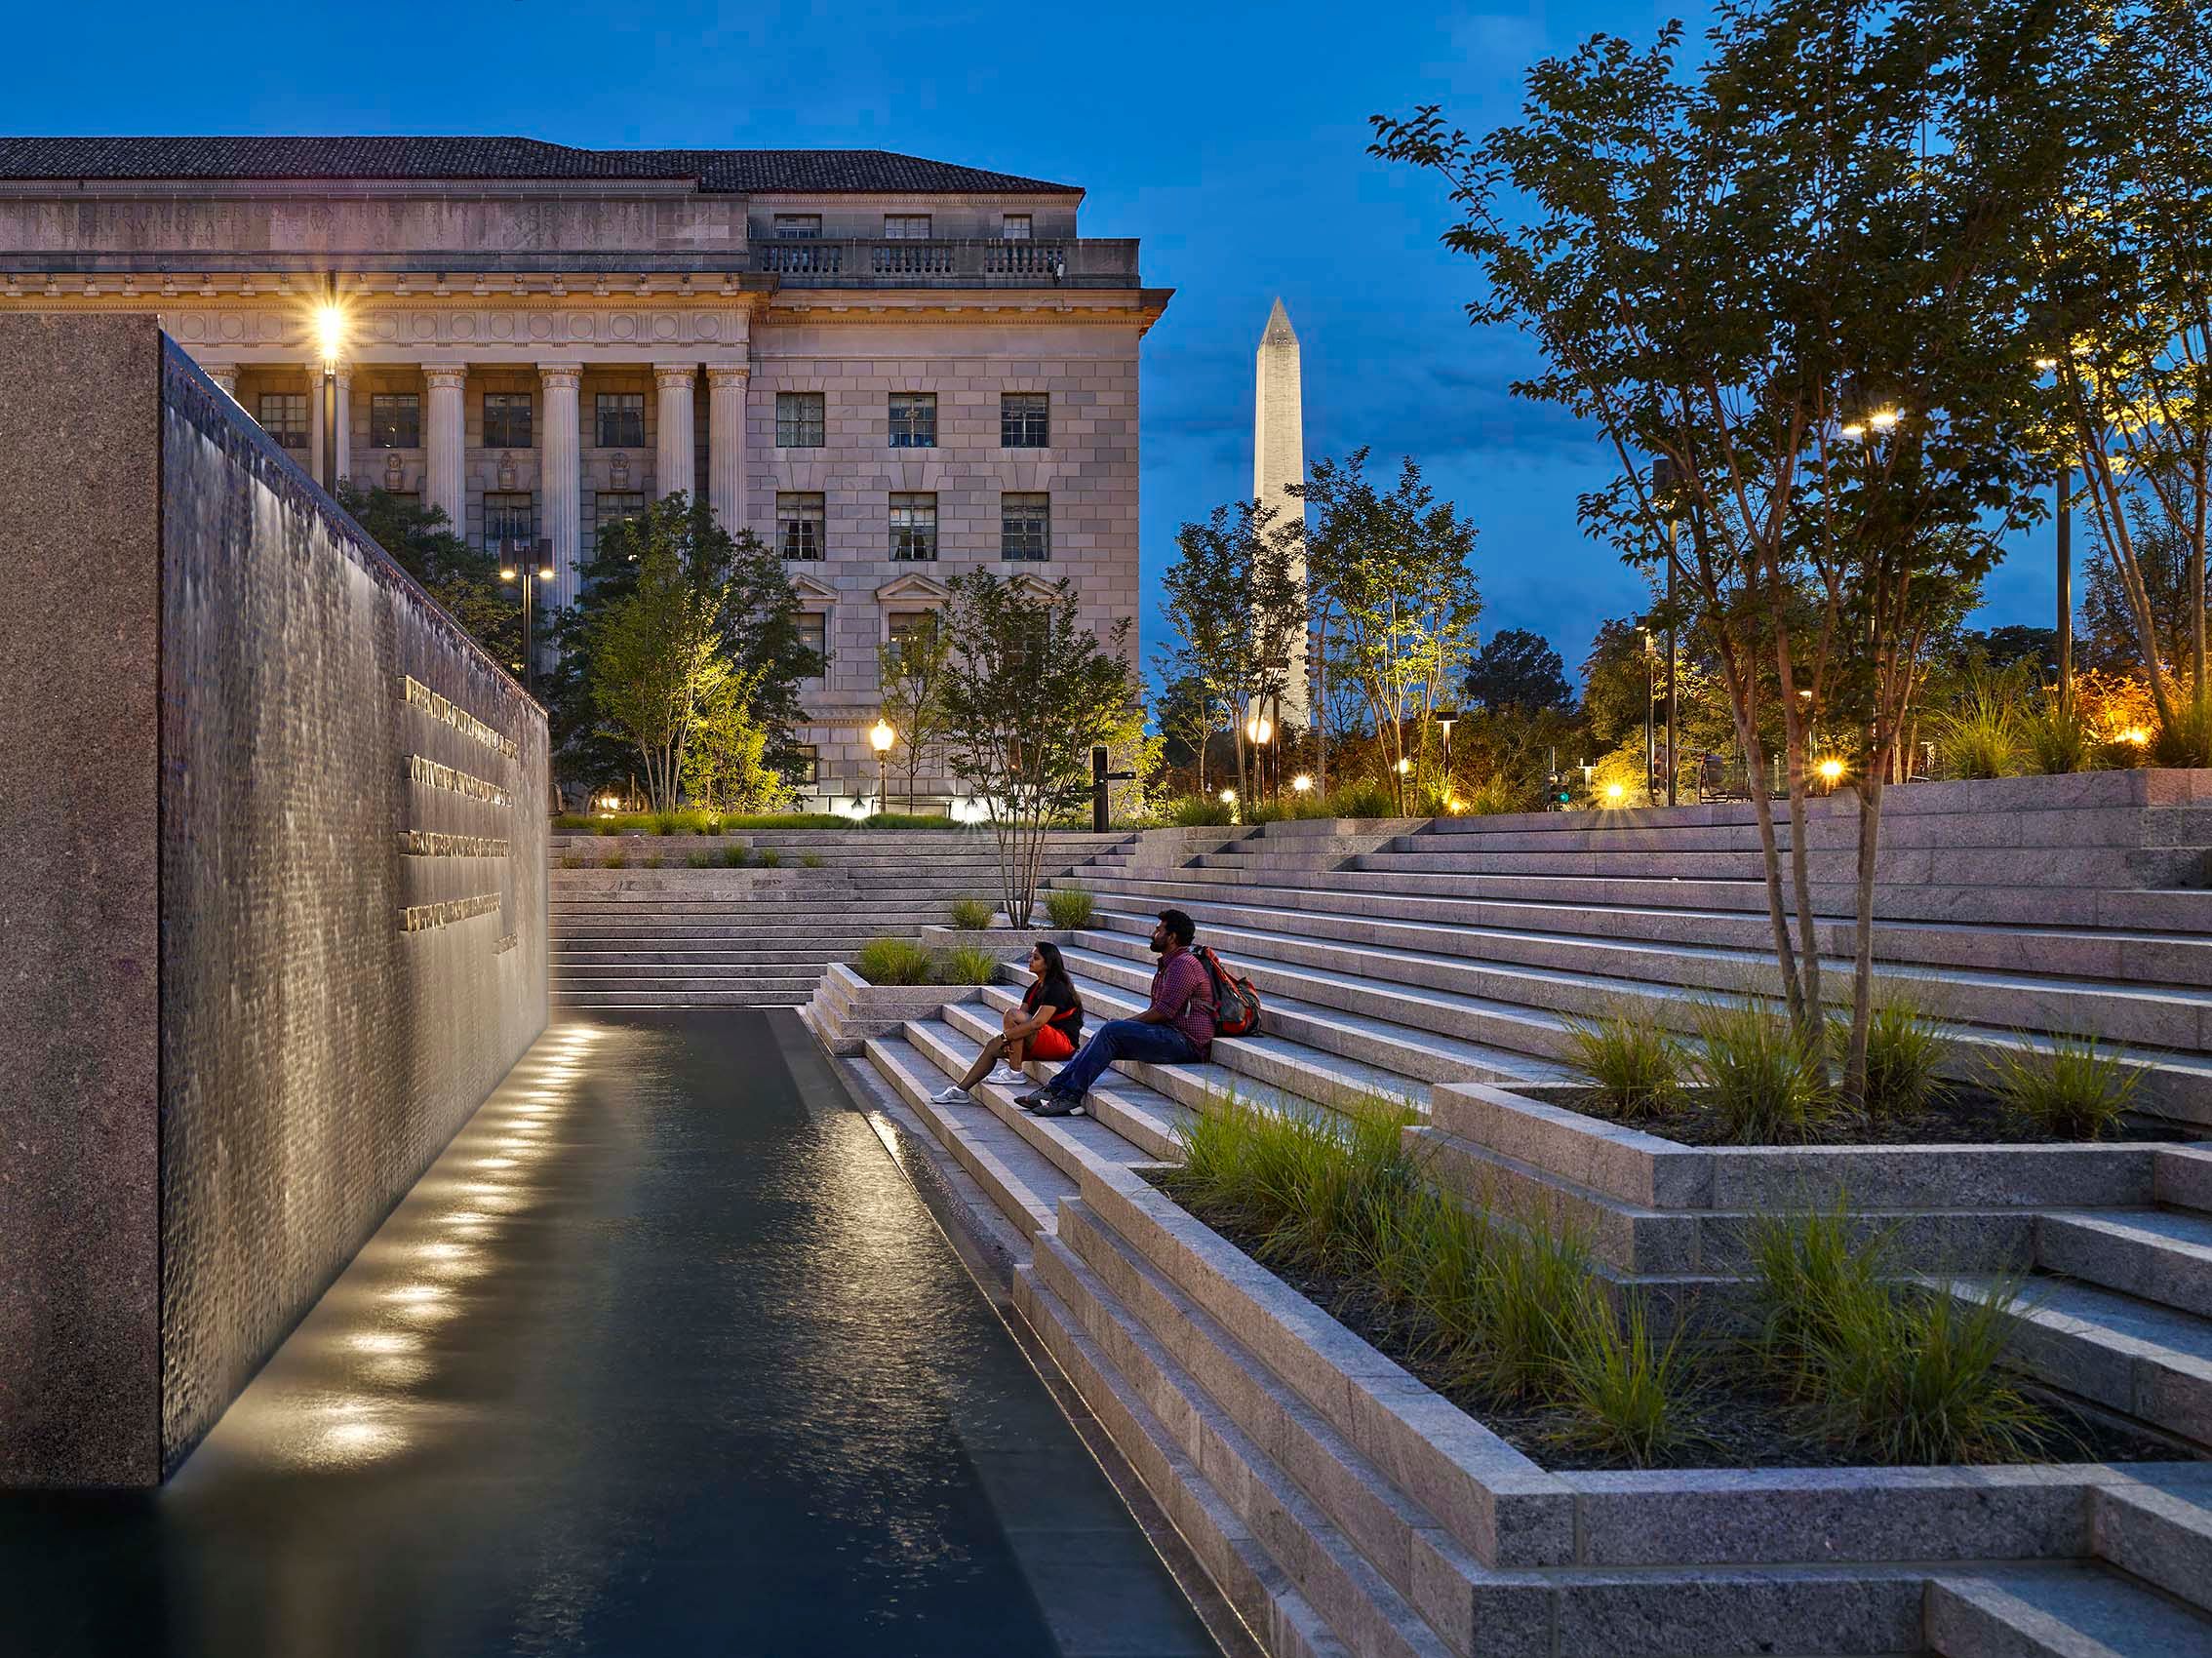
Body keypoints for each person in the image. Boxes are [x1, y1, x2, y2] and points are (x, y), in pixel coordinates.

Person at [1016, 909, 1213, 1118]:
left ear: (1171, 937)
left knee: (1112, 1030)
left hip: (1186, 1042)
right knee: (1104, 1035)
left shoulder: (1183, 965)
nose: (1153, 934)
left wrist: (1125, 1023)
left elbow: (1164, 1011)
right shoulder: (1170, 964)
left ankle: (1069, 1097)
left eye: (1158, 930)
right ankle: (1055, 1088)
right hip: (1169, 1034)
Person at [932, 942, 1083, 1104]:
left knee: (1010, 1017)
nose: (1030, 960)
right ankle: (960, 1090)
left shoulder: (1057, 987)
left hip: (1063, 1044)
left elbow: (1037, 1023)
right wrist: (1008, 1040)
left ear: (1048, 963)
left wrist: (1006, 1037)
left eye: (1036, 958)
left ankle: (1015, 1071)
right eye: (1031, 956)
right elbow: (1021, 1017)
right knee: (992, 1047)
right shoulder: (1035, 987)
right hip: (1041, 1040)